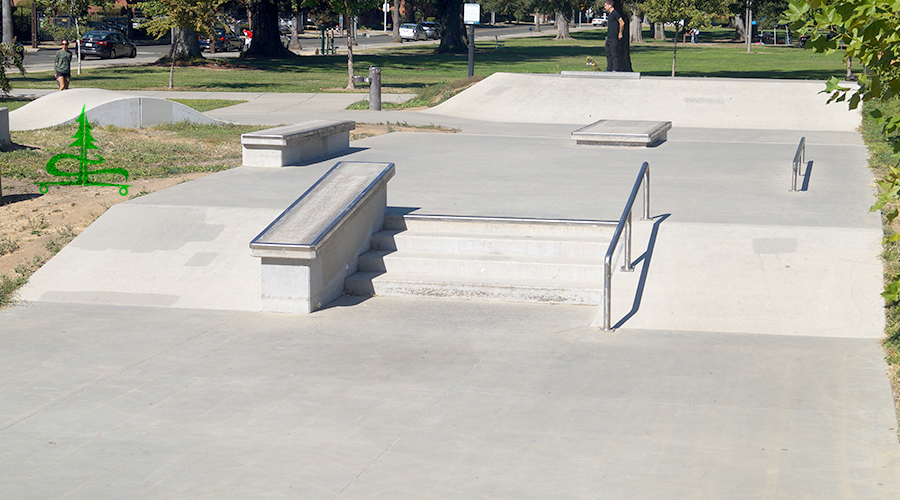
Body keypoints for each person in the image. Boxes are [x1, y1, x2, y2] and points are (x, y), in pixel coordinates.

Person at [604, 0, 625, 72]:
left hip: (614, 37)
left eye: (606, 5)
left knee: (614, 53)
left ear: (610, 5)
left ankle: (615, 68)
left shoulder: (615, 13)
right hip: (609, 37)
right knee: (608, 53)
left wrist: (620, 33)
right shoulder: (610, 14)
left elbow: (622, 22)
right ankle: (609, 68)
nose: (605, 7)